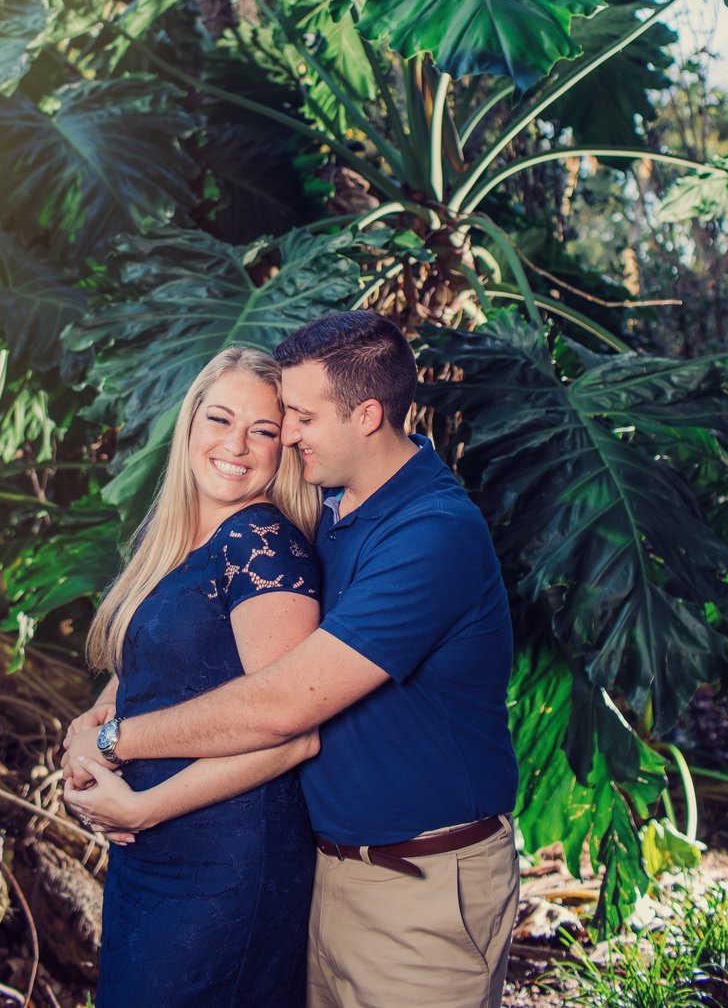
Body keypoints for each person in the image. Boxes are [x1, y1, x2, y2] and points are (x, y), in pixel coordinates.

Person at [64, 310, 520, 1008]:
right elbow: (198, 633)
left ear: (366, 415)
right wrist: (102, 709)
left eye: (295, 418)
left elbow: (284, 706)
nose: (287, 434)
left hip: (420, 884)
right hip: (326, 874)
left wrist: (117, 738)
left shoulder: (433, 535)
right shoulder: (335, 508)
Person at [62, 346, 322, 1008]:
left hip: (225, 865)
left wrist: (142, 801)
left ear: (283, 448)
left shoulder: (264, 546)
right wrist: (87, 731)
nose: (235, 445)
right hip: (150, 854)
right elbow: (159, 663)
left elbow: (292, 734)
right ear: (189, 423)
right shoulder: (180, 537)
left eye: (262, 431)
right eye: (219, 418)